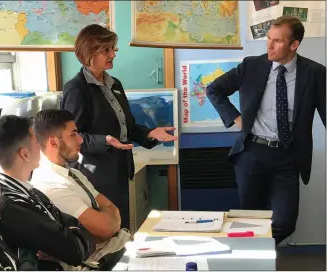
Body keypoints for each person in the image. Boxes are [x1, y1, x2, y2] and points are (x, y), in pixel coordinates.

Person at [206, 16, 326, 245]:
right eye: (268, 39)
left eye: (277, 41)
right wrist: (236, 118)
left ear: (294, 45)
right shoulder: (252, 65)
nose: (269, 45)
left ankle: (254, 249)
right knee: (250, 219)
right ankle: (253, 262)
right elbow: (214, 89)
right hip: (252, 153)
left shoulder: (315, 73)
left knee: (285, 221)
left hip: (288, 157)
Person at [61, 24, 178, 228]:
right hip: (95, 174)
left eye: (113, 49)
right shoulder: (77, 88)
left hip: (119, 170)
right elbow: (71, 136)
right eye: (106, 50)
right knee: (103, 234)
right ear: (89, 52)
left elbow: (127, 126)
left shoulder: (114, 84)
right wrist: (103, 141)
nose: (113, 54)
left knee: (119, 230)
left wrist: (150, 133)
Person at [0, 115, 96, 270]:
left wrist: (72, 236)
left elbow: (83, 235)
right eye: (37, 141)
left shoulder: (24, 189)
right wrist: (71, 237)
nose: (41, 147)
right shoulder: (10, 204)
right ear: (25, 154)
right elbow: (74, 251)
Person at [31, 109, 130, 269]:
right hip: (101, 261)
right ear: (54, 142)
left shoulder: (72, 173)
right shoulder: (51, 184)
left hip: (117, 246)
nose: (80, 140)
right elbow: (105, 229)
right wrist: (108, 221)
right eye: (73, 134)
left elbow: (113, 209)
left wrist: (109, 222)